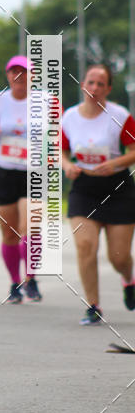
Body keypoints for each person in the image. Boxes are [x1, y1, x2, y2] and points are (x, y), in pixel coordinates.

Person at [61, 64, 135, 325]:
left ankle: (128, 278)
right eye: (90, 82)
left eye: (100, 84)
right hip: (84, 188)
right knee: (85, 246)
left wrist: (114, 164)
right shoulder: (69, 117)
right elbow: (60, 150)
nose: (94, 88)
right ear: (82, 84)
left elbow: (133, 150)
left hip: (117, 188)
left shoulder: (120, 115)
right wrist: (67, 165)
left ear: (108, 89)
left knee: (119, 257)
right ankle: (93, 305)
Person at [0, 55, 42, 304]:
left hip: (33, 171)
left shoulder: (45, 102)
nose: (18, 77)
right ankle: (15, 282)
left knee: (30, 228)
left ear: (33, 76)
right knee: (9, 233)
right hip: (4, 171)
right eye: (14, 72)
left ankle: (31, 278)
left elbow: (61, 132)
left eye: (23, 72)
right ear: (8, 76)